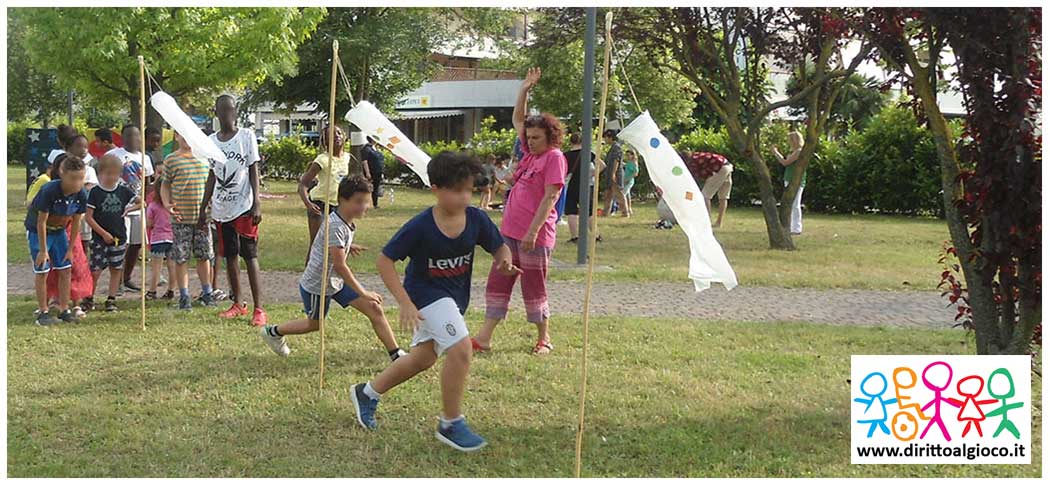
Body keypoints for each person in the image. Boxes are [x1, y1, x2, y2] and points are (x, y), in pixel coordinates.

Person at [348, 151, 521, 452]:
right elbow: (385, 260)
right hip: (425, 295)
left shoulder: (477, 219)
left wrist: (504, 262)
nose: (464, 196)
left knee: (424, 357)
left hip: (454, 300)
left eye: (468, 189)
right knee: (462, 349)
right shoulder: (421, 225)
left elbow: (499, 247)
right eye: (456, 190)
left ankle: (367, 393)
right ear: (436, 189)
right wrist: (404, 302)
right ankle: (450, 423)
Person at [261, 175, 405, 360]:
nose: (364, 207)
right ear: (342, 200)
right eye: (359, 202)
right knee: (314, 325)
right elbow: (341, 266)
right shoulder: (336, 225)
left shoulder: (345, 222)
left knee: (374, 309)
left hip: (335, 281)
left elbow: (332, 246)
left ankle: (396, 354)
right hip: (318, 284)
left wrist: (347, 246)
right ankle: (273, 332)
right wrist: (363, 292)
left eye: (366, 202)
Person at [475, 67, 567, 355]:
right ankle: (484, 337)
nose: (529, 141)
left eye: (536, 137)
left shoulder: (553, 157)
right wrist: (524, 90)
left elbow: (551, 197)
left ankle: (544, 338)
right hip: (510, 233)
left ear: (550, 137)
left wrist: (533, 231)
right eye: (528, 137)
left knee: (534, 286)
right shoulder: (529, 154)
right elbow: (518, 119)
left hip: (534, 236)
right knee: (499, 280)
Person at [202, 94, 267, 326]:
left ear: (236, 111)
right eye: (223, 110)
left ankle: (259, 308)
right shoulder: (211, 141)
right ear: (217, 113)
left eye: (231, 109)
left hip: (244, 206)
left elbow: (253, 169)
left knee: (249, 255)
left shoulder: (246, 136)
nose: (228, 114)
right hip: (221, 208)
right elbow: (212, 176)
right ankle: (238, 303)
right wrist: (203, 207)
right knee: (229, 255)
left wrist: (257, 202)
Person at [26, 155, 88, 325]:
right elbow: (41, 222)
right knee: (43, 270)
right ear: (62, 174)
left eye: (81, 178)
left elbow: (76, 221)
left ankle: (63, 308)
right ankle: (43, 311)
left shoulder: (81, 194)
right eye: (73, 178)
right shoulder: (49, 191)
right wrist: (43, 250)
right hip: (40, 232)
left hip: (60, 232)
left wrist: (69, 249)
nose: (77, 183)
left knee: (65, 269)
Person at [161, 131, 215, 311]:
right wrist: (167, 205)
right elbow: (165, 184)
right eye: (183, 135)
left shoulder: (205, 158)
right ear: (176, 136)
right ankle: (184, 295)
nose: (187, 139)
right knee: (181, 258)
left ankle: (207, 292)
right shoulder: (171, 159)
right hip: (181, 217)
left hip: (202, 218)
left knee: (204, 256)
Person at [85, 154, 140, 312]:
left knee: (116, 269)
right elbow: (88, 217)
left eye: (115, 174)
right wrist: (102, 233)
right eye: (108, 174)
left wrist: (130, 208)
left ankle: (111, 298)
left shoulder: (123, 191)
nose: (111, 177)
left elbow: (141, 202)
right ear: (100, 173)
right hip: (99, 238)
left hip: (119, 237)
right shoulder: (95, 192)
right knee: (95, 270)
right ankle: (89, 298)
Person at [105, 125, 154, 293]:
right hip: (120, 207)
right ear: (123, 137)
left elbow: (147, 182)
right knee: (122, 244)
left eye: (136, 135)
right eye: (128, 135)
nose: (133, 138)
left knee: (136, 243)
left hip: (138, 207)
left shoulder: (145, 158)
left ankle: (127, 278)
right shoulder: (113, 155)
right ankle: (116, 281)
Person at [298, 123, 351, 264]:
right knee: (317, 243)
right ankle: (308, 278)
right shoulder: (322, 160)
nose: (336, 137)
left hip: (338, 207)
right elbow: (303, 184)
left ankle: (330, 277)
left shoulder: (348, 158)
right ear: (325, 141)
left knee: (337, 244)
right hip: (319, 205)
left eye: (339, 133)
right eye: (331, 135)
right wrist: (308, 204)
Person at [563, 132, 604, 243]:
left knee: (571, 211)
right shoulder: (588, 153)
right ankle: (595, 235)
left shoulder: (565, 155)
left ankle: (574, 237)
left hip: (571, 185)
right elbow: (602, 165)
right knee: (589, 212)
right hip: (585, 185)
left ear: (571, 142)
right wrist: (593, 173)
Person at [772, 130, 806, 235]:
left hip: (795, 179)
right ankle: (791, 226)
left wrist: (775, 153)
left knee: (795, 203)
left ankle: (797, 227)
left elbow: (785, 162)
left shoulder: (799, 151)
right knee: (791, 204)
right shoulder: (793, 151)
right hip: (789, 178)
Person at [145, 186, 175, 300]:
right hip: (172, 238)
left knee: (156, 267)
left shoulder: (153, 206)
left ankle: (152, 291)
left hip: (158, 239)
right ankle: (171, 290)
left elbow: (149, 223)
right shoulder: (174, 206)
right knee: (172, 266)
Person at [600, 129, 629, 217]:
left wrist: (613, 173)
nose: (605, 140)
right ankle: (605, 212)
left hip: (615, 174)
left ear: (610, 137)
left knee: (618, 194)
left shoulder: (617, 147)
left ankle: (625, 212)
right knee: (608, 194)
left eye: (605, 137)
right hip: (609, 174)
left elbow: (616, 160)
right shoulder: (612, 147)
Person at [361, 136, 386, 208]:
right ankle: (364, 203)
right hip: (371, 172)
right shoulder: (366, 149)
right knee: (368, 188)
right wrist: (368, 173)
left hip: (378, 172)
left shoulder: (375, 148)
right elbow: (364, 161)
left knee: (376, 188)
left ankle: (375, 204)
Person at [622, 149, 639, 218]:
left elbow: (635, 173)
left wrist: (628, 179)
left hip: (629, 181)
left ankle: (625, 210)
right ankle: (629, 208)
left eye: (628, 155)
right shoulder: (629, 162)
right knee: (627, 195)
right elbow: (627, 166)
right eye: (626, 155)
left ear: (632, 155)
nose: (627, 157)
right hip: (625, 180)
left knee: (623, 194)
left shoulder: (634, 163)